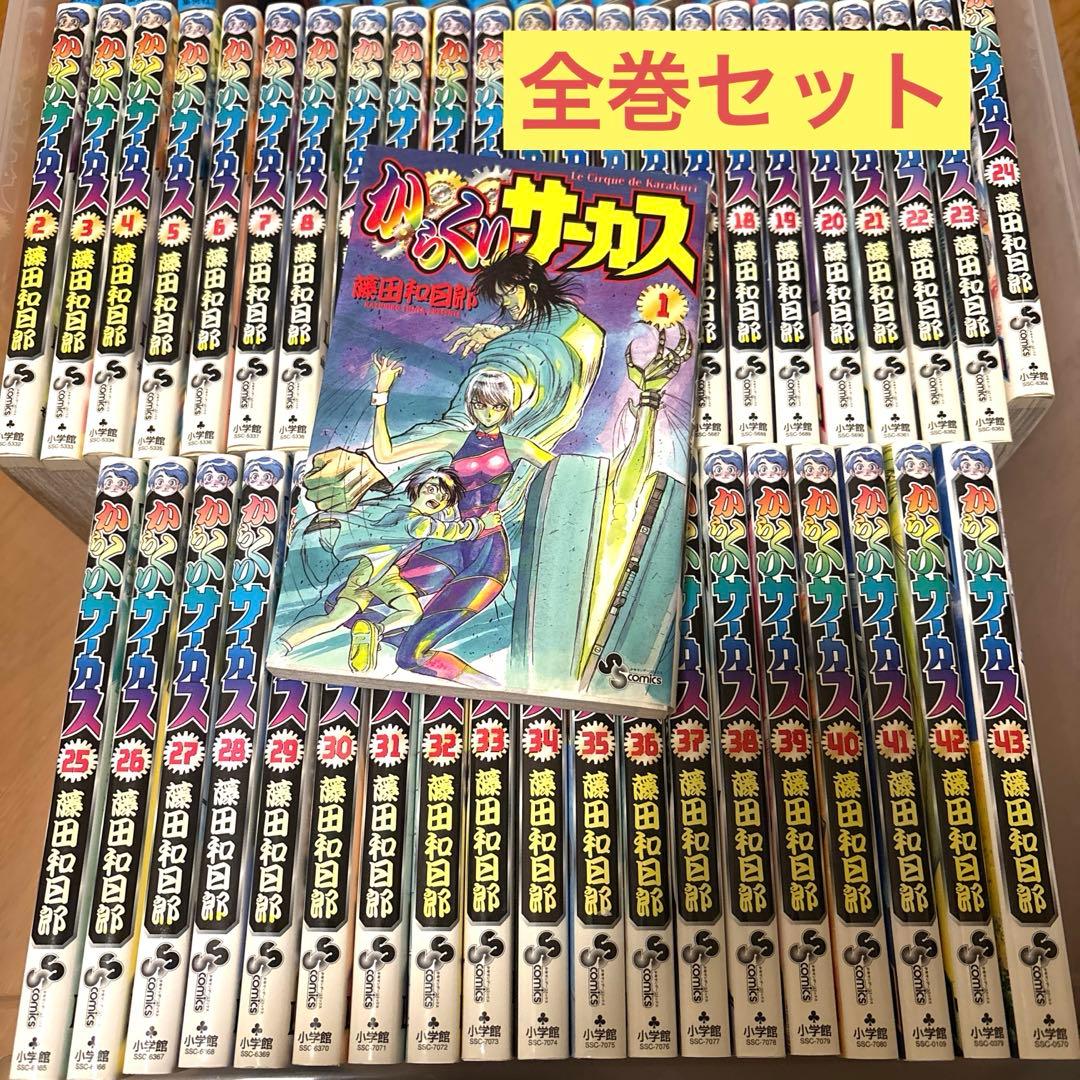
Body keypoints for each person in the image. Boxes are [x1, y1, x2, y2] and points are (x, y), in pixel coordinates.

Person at [280, 468, 501, 671]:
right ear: (417, 489)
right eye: (431, 489)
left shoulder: (403, 514)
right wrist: (482, 524)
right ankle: (373, 630)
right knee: (409, 613)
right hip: (378, 574)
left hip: (373, 571)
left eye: (443, 497)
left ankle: (286, 644)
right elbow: (446, 531)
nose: (436, 496)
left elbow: (445, 520)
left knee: (338, 618)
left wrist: (451, 506)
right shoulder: (414, 521)